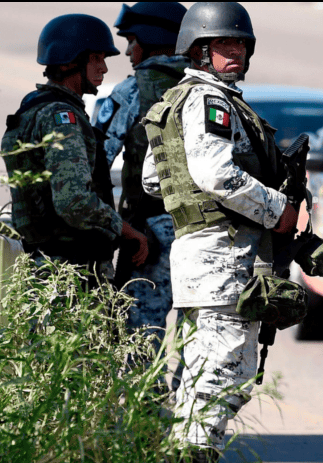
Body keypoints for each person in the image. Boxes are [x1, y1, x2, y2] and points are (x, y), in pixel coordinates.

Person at [141, 2, 298, 463]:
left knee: (198, 377)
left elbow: (156, 179)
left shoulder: (175, 101)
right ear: (198, 51)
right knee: (225, 375)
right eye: (222, 45)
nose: (234, 52)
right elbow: (214, 174)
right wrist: (278, 211)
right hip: (224, 259)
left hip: (199, 259)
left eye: (239, 44)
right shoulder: (212, 102)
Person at [1, 14, 148, 282]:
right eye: (96, 58)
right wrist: (127, 231)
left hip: (43, 264)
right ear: (70, 61)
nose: (103, 68)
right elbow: (74, 201)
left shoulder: (32, 108)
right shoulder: (62, 117)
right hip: (72, 270)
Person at [95, 2, 188, 358]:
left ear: (151, 40)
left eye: (133, 41)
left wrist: (112, 227)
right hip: (206, 236)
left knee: (139, 342)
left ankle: (147, 413)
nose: (129, 51)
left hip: (151, 237)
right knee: (197, 345)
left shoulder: (133, 91)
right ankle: (188, 412)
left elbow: (96, 160)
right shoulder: (210, 91)